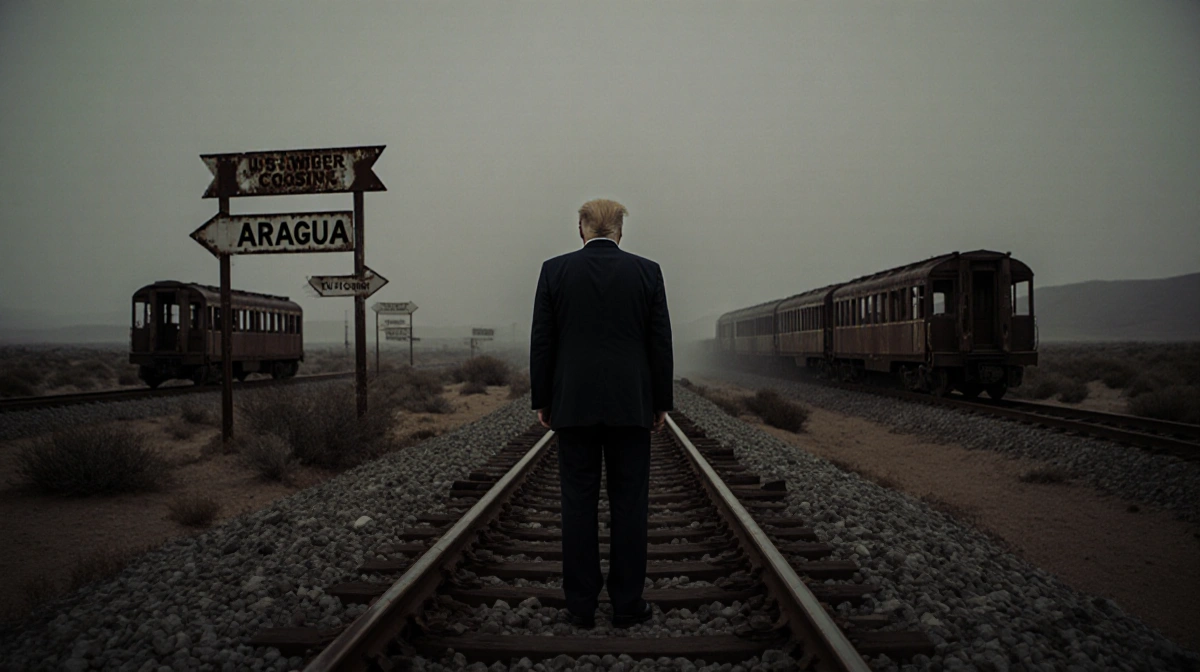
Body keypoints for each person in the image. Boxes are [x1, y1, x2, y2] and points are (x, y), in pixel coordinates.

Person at [529, 198, 673, 629]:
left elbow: (542, 341)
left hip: (573, 406)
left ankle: (581, 606)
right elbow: (659, 342)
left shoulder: (554, 271)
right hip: (631, 406)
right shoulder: (647, 272)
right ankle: (628, 604)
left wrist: (543, 400)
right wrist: (660, 403)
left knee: (577, 504)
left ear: (581, 228)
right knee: (630, 506)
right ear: (620, 231)